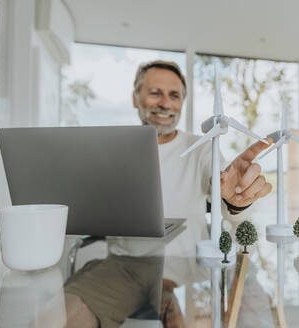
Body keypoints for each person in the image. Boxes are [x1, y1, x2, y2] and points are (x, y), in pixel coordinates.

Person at [64, 60, 273, 327]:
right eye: (155, 93)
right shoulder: (111, 151)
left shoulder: (202, 149)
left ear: (182, 102)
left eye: (174, 95)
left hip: (189, 267)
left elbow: (225, 192)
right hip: (126, 267)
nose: (165, 103)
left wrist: (235, 201)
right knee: (62, 315)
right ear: (135, 98)